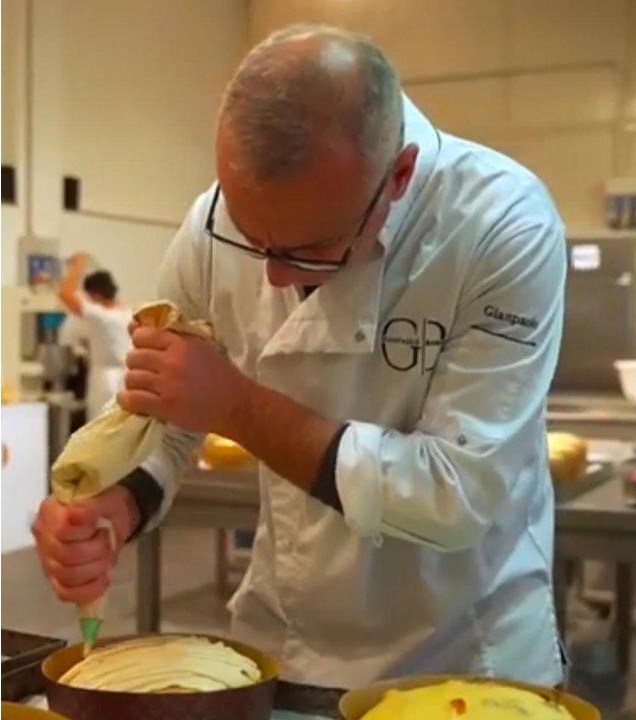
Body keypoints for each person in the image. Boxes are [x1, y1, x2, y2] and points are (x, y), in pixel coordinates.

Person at [33, 24, 567, 691]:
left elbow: (453, 498)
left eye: (311, 250)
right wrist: (118, 504)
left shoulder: (500, 225)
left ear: (397, 175)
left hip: (464, 659)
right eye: (255, 242)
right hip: (282, 648)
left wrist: (237, 405)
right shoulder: (211, 226)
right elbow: (164, 419)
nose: (279, 279)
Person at [57, 254, 132, 419]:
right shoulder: (127, 313)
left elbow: (65, 294)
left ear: (96, 295)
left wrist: (78, 264)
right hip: (127, 378)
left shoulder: (101, 316)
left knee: (99, 426)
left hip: (105, 381)